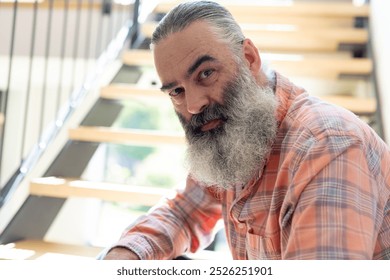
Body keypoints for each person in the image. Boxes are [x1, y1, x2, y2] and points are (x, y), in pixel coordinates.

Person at [103, 1, 390, 260]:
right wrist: (125, 254)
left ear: (249, 58)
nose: (193, 105)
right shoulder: (234, 135)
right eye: (177, 91)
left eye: (206, 73)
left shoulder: (327, 146)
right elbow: (184, 211)